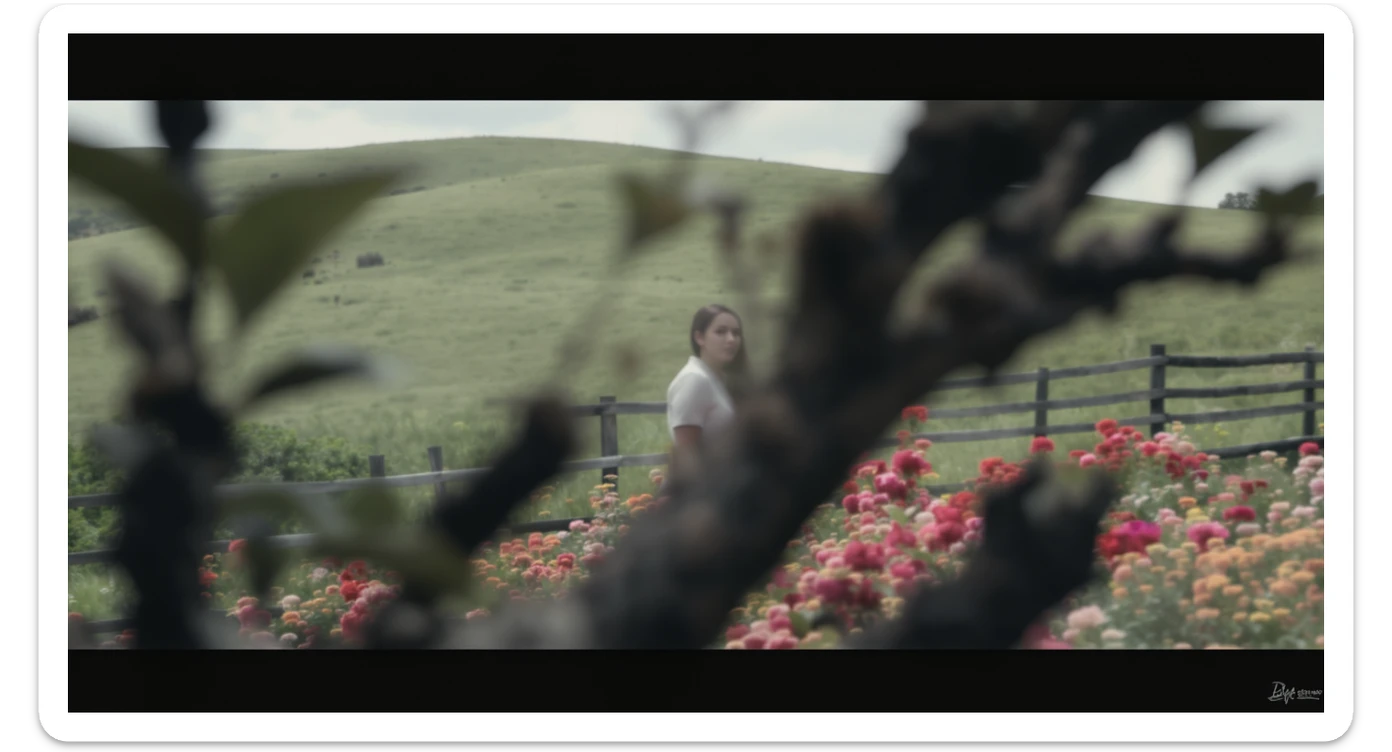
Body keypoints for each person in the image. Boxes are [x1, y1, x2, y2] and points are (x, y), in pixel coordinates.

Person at [666, 304, 747, 454]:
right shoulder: (694, 379)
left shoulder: (718, 380)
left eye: (736, 333)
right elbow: (687, 452)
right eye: (720, 332)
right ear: (699, 337)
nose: (731, 339)